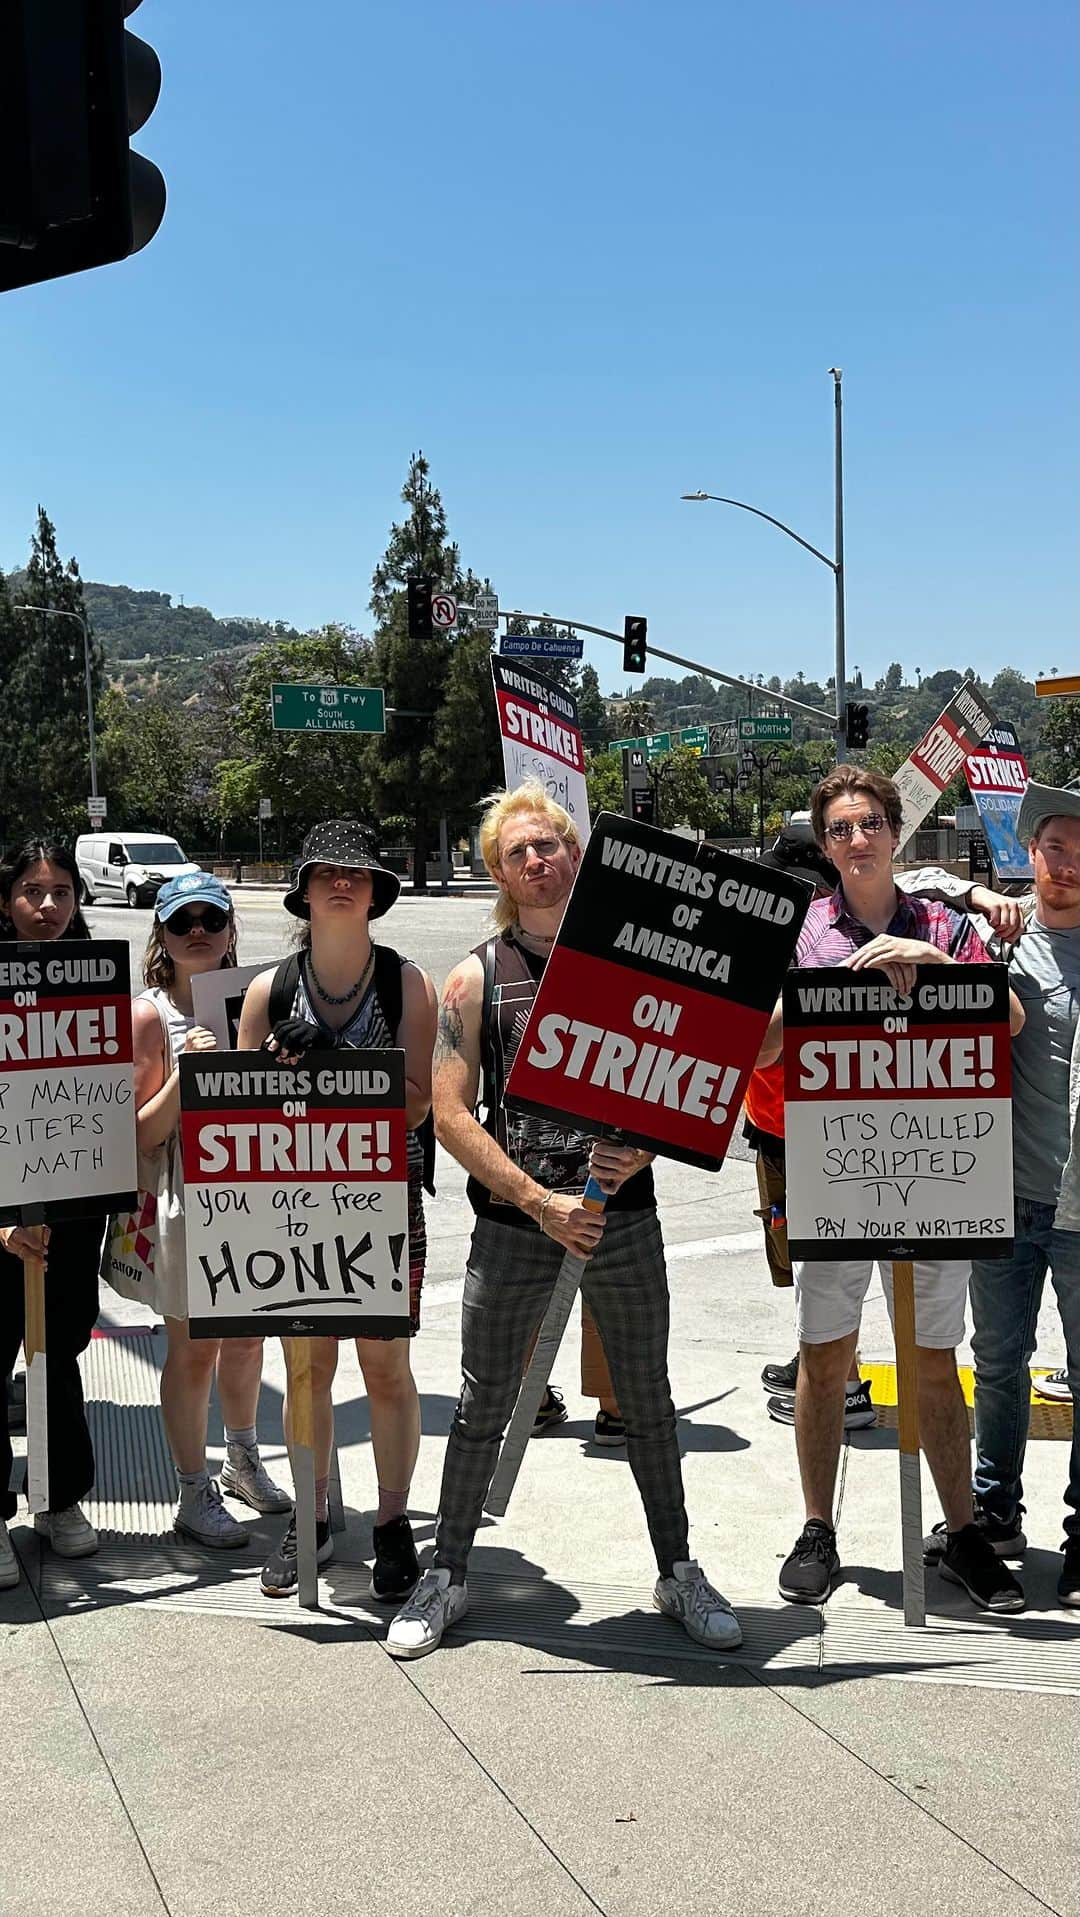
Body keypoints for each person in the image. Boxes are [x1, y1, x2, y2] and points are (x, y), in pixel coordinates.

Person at [387, 780, 742, 1659]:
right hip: (517, 1227)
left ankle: (678, 1569)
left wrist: (646, 1150)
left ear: (578, 855)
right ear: (498, 870)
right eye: (520, 850)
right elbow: (452, 1111)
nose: (539, 859)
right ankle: (449, 1573)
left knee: (648, 1401)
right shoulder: (475, 976)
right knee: (481, 1405)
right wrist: (538, 1202)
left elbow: (698, 1070)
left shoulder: (635, 961)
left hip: (625, 1219)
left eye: (552, 843)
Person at [756, 766, 1027, 1613]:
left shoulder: (947, 920)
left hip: (941, 1174)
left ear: (894, 828)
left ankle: (961, 1532)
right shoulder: (798, 933)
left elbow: (1008, 1016)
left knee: (934, 1362)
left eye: (869, 822)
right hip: (837, 1171)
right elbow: (758, 1046)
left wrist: (934, 961)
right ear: (825, 842)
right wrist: (828, 998)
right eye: (839, 828)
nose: (856, 839)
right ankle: (816, 1527)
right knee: (827, 1355)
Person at [237, 822, 438, 1602]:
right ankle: (312, 1515)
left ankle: (391, 1525)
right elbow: (240, 1117)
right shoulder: (268, 990)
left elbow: (420, 1105)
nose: (341, 883)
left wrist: (340, 1061)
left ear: (376, 891)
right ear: (305, 890)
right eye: (325, 872)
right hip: (292, 1211)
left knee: (386, 1369)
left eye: (356, 872)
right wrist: (272, 1062)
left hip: (383, 1205)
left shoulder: (404, 984)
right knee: (306, 1367)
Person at [922, 780, 1080, 1610]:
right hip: (1006, 1192)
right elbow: (913, 886)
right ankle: (995, 1514)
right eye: (1056, 846)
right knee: (997, 1363)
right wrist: (982, 893)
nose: (1069, 864)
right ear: (1032, 852)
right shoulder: (1000, 939)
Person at [131, 872, 290, 1549]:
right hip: (186, 1194)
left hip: (251, 1185)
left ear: (230, 930)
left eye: (211, 918)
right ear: (161, 935)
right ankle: (192, 1486)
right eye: (181, 920)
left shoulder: (259, 998)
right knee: (194, 1348)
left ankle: (243, 1457)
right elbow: (140, 1132)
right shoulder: (148, 1014)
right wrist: (182, 1077)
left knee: (250, 1338)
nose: (197, 929)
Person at [0, 842, 104, 1588]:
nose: (47, 905)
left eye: (61, 890)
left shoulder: (94, 984)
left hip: (69, 1207)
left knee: (57, 1348)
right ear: (6, 899)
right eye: (32, 890)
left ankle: (59, 1496)